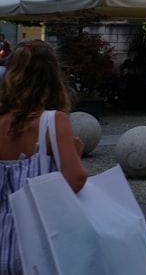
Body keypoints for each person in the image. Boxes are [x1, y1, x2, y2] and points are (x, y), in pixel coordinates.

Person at [0, 40, 89, 275]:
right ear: (52, 76)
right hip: (37, 241)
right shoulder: (53, 121)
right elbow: (75, 178)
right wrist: (76, 155)